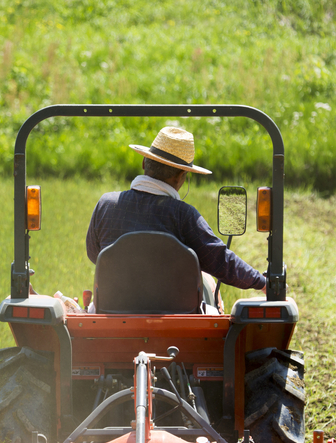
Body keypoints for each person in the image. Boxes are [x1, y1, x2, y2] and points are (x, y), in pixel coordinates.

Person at [86, 126, 266, 311]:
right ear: (181, 176)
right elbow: (220, 261)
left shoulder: (106, 204)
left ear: (144, 162)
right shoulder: (184, 215)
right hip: (175, 317)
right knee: (215, 313)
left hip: (111, 313)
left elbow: (95, 255)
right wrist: (261, 282)